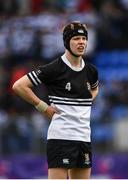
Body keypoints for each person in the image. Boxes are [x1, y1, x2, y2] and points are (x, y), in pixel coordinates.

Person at [12, 21, 99, 179]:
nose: (81, 42)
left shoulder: (91, 71)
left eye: (84, 38)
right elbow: (19, 86)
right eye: (76, 38)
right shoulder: (55, 68)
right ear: (67, 42)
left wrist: (87, 100)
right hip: (61, 139)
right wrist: (43, 107)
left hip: (84, 139)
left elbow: (95, 88)